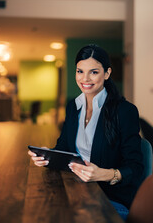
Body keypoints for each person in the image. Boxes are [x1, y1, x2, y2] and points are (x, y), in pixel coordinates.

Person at [28, 44, 143, 220]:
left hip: (110, 199)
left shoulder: (125, 111)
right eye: (80, 71)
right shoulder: (74, 107)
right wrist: (48, 156)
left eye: (94, 72)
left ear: (107, 73)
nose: (85, 78)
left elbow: (135, 167)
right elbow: (64, 147)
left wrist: (105, 174)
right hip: (77, 191)